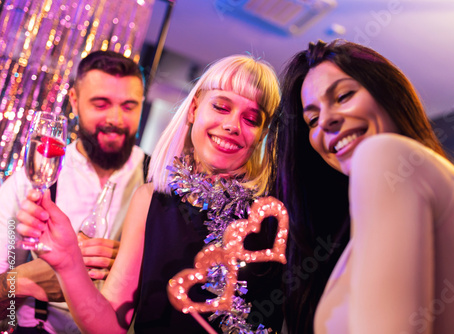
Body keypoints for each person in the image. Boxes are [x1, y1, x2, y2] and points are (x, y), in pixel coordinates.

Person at [15, 54, 284, 333]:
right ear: (193, 109)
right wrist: (69, 261)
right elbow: (110, 325)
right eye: (221, 107)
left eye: (251, 119)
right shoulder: (149, 200)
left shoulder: (273, 215)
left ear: (263, 134)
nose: (232, 125)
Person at [269, 39, 454, 333]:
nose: (326, 121)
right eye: (312, 119)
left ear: (388, 93)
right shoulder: (429, 186)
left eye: (343, 96)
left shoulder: (384, 154)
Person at [0, 50, 148, 333]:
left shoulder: (156, 181)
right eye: (101, 104)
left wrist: (134, 264)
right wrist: (22, 281)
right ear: (74, 101)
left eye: (129, 106)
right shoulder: (29, 182)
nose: (115, 119)